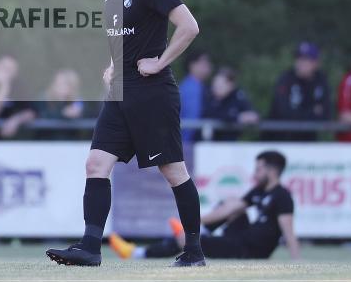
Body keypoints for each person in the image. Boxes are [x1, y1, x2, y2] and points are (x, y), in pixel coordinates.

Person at [46, 0, 204, 268]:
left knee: (173, 172)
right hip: (120, 93)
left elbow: (189, 26)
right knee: (96, 163)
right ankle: (90, 247)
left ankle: (194, 251)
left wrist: (160, 62)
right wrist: (113, 64)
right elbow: (124, 38)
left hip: (152, 95)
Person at [108, 151, 300, 260]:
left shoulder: (282, 196)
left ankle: (136, 253)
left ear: (272, 171)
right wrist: (196, 223)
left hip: (249, 251)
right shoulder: (260, 190)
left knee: (185, 241)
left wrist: (296, 260)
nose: (255, 174)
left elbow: (288, 232)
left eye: (259, 169)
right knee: (230, 204)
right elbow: (231, 208)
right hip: (242, 237)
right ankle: (196, 230)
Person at [267, 42, 331, 140]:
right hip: (280, 139)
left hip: (308, 140)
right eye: (298, 58)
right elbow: (283, 112)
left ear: (315, 63)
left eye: (305, 59)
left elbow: (326, 114)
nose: (300, 63)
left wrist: (299, 114)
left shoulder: (321, 81)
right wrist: (312, 112)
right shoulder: (286, 79)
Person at [203, 67, 259, 141]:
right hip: (210, 142)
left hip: (231, 143)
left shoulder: (238, 97)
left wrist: (252, 116)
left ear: (231, 85)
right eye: (215, 84)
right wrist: (238, 118)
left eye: (220, 85)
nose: (215, 88)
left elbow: (253, 114)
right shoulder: (208, 96)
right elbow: (212, 115)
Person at [178, 50, 211, 142]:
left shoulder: (196, 85)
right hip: (188, 142)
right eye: (204, 62)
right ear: (192, 65)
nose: (208, 65)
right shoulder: (190, 88)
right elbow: (192, 117)